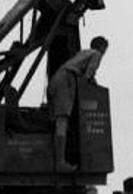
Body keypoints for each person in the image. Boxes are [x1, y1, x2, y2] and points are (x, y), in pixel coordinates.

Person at [46, 36, 108, 170]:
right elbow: (88, 75)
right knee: (62, 120)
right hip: (66, 80)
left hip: (55, 80)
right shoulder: (96, 54)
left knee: (56, 121)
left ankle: (57, 159)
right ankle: (60, 162)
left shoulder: (82, 54)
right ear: (102, 47)